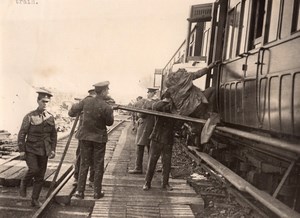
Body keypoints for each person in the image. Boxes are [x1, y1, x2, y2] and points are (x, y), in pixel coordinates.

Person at [68, 81, 114, 199]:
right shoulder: (107, 106)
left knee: (84, 163)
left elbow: (72, 111)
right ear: (103, 91)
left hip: (85, 137)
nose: (108, 92)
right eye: (107, 90)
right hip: (99, 139)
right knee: (98, 164)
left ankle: (79, 192)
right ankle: (96, 192)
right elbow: (110, 123)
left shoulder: (86, 101)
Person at [18, 88, 57, 207]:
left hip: (44, 150)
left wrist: (53, 149)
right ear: (38, 101)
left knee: (40, 176)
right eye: (43, 101)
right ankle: (24, 182)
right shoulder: (29, 116)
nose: (45, 104)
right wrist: (22, 150)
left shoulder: (50, 117)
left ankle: (34, 199)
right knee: (34, 169)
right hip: (31, 149)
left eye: (47, 102)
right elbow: (22, 134)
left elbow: (54, 134)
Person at [143, 90, 175, 191]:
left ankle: (148, 183)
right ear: (171, 98)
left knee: (154, 161)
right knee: (165, 162)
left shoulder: (160, 105)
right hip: (163, 137)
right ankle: (163, 184)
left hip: (158, 137)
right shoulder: (166, 106)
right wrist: (168, 102)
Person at [128, 87, 158, 174]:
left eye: (149, 92)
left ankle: (138, 168)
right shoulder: (157, 102)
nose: (147, 94)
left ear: (152, 93)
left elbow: (141, 114)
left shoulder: (147, 103)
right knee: (150, 148)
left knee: (140, 146)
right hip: (153, 127)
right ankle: (151, 168)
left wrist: (138, 115)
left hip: (145, 126)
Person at [73, 89, 96, 187]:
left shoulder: (100, 102)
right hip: (85, 135)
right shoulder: (84, 103)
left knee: (84, 157)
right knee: (82, 157)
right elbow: (71, 112)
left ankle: (88, 179)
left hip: (91, 136)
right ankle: (80, 178)